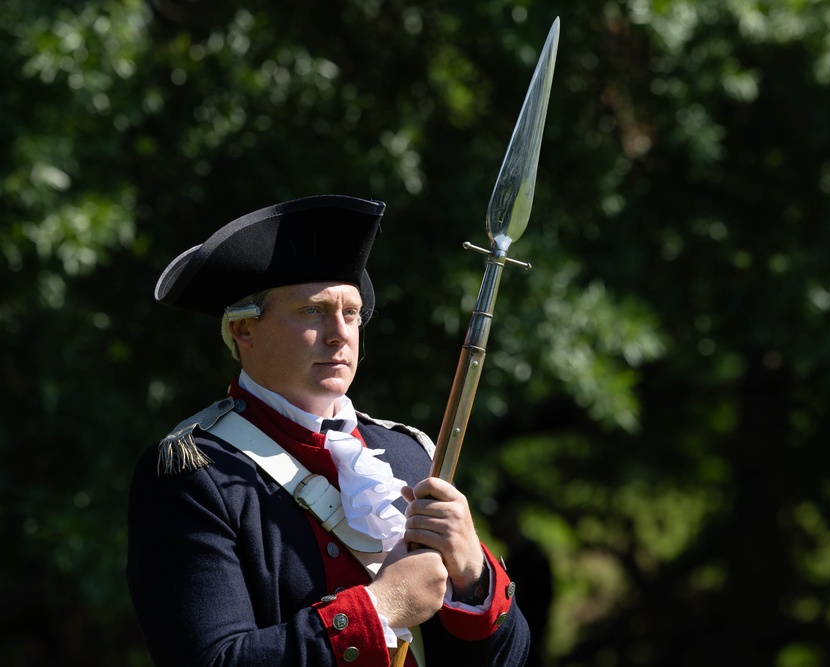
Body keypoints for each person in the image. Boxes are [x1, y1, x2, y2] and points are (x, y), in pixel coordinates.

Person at [126, 195, 530, 666]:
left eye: (352, 312)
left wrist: (472, 576)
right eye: (313, 311)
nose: (340, 333)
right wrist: (382, 607)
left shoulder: (408, 454)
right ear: (244, 331)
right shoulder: (192, 474)